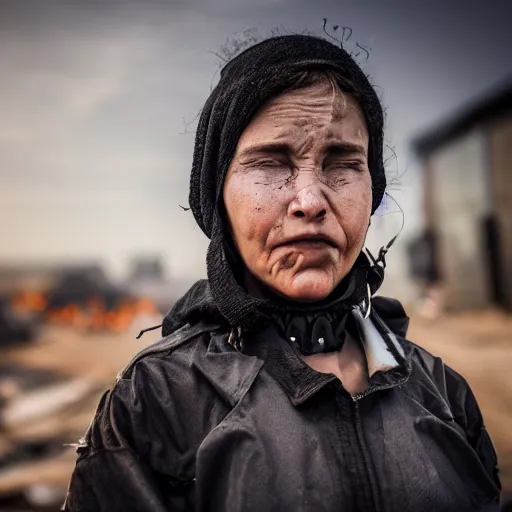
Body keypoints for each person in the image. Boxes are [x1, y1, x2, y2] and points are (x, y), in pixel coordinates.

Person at [63, 34, 501, 511]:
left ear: (371, 192)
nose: (310, 201)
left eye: (342, 164)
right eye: (271, 163)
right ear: (217, 200)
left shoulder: (442, 391)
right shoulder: (156, 402)